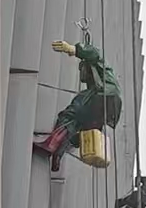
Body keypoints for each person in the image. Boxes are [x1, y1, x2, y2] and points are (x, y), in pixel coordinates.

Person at [34, 39, 122, 172]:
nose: (82, 74)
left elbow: (94, 53)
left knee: (70, 114)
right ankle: (59, 153)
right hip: (110, 106)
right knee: (84, 128)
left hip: (104, 94)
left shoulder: (100, 69)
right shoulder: (101, 81)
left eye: (82, 69)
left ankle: (51, 144)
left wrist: (72, 49)